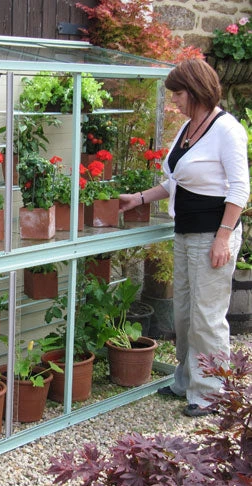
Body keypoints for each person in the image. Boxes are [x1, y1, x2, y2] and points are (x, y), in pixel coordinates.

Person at [119, 58, 249, 417]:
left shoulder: (227, 130)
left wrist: (223, 237)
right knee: (184, 315)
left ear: (195, 91)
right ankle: (186, 380)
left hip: (213, 235)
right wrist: (139, 198)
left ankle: (211, 394)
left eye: (177, 94)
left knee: (207, 317)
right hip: (186, 233)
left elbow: (240, 190)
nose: (173, 100)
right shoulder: (189, 128)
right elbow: (176, 180)